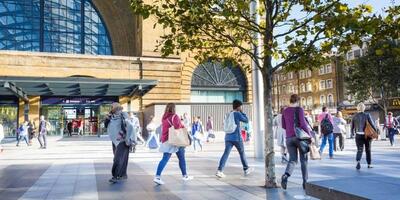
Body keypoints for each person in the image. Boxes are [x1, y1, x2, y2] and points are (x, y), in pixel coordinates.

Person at [153, 103, 193, 185]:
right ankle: (185, 176)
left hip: (166, 140)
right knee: (181, 158)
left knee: (165, 158)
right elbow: (177, 127)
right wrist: (183, 125)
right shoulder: (175, 116)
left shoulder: (164, 117)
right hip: (175, 140)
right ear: (174, 108)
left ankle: (157, 176)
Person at [281, 94, 311, 190]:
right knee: (304, 160)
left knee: (292, 160)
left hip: (289, 138)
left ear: (290, 101)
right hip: (300, 138)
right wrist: (309, 135)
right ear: (298, 101)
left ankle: (286, 175)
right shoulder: (300, 110)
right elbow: (303, 124)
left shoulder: (285, 111)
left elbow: (284, 125)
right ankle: (305, 182)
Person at [216, 99, 252, 178]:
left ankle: (220, 170)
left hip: (228, 137)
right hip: (236, 138)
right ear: (239, 106)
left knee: (226, 154)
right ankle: (246, 169)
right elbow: (246, 120)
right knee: (242, 153)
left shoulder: (229, 113)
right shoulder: (237, 114)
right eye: (241, 106)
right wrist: (242, 112)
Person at [107, 103, 137, 183]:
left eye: (118, 108)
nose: (118, 110)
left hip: (123, 140)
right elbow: (109, 127)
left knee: (118, 159)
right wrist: (107, 118)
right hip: (115, 141)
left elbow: (130, 126)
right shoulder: (111, 117)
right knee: (121, 158)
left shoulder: (124, 115)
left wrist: (127, 139)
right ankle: (123, 175)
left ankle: (115, 175)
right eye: (115, 109)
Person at [351, 103, 378, 170]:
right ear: (364, 108)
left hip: (358, 135)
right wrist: (376, 132)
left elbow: (352, 127)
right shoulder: (367, 115)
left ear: (357, 108)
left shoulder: (354, 116)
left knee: (360, 149)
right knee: (368, 150)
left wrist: (352, 134)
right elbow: (372, 124)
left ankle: (358, 161)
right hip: (367, 135)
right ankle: (369, 164)